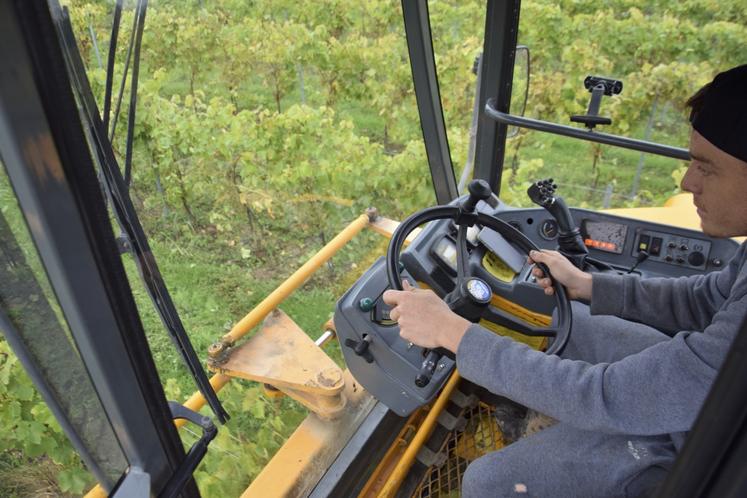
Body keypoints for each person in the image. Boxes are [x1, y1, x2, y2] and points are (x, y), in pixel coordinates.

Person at [383, 64, 747, 498]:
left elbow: (607, 395)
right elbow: (707, 298)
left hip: (709, 456)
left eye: (707, 169)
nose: (688, 183)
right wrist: (589, 285)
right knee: (577, 320)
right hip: (710, 401)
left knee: (489, 483)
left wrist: (455, 334)